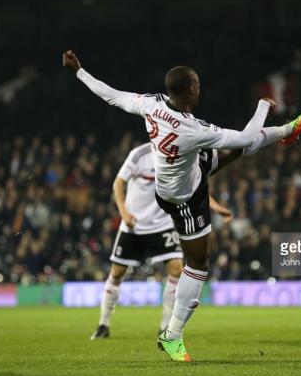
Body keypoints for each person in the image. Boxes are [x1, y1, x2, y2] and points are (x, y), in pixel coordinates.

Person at [63, 50, 301, 361]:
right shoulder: (192, 130)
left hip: (186, 170)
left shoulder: (152, 103)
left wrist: (79, 71)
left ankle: (287, 131)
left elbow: (111, 95)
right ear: (189, 90)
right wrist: (262, 107)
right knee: (198, 265)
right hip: (183, 197)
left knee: (231, 153)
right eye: (197, 84)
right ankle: (172, 336)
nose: (201, 88)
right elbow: (245, 136)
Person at [91, 143, 233, 340]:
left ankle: (165, 326)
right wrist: (124, 213)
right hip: (134, 225)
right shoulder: (139, 155)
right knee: (117, 273)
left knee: (176, 269)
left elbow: (193, 188)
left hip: (163, 225)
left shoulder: (180, 157)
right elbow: (118, 183)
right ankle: (103, 324)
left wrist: (217, 207)